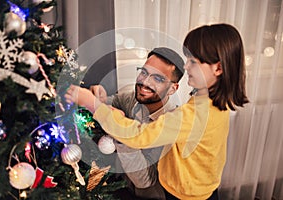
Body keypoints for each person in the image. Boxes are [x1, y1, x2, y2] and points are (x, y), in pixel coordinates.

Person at [65, 23, 249, 199]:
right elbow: (117, 102)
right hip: (195, 188)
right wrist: (102, 101)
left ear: (218, 68)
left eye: (193, 62)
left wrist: (93, 105)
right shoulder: (208, 100)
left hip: (184, 195)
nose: (186, 67)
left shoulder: (194, 115)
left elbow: (138, 136)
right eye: (144, 72)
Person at [89, 47, 184, 200]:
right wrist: (98, 95)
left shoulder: (172, 124)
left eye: (158, 79)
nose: (145, 82)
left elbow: (146, 181)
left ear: (173, 88)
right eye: (144, 72)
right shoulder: (131, 99)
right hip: (118, 187)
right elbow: (107, 104)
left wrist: (121, 131)